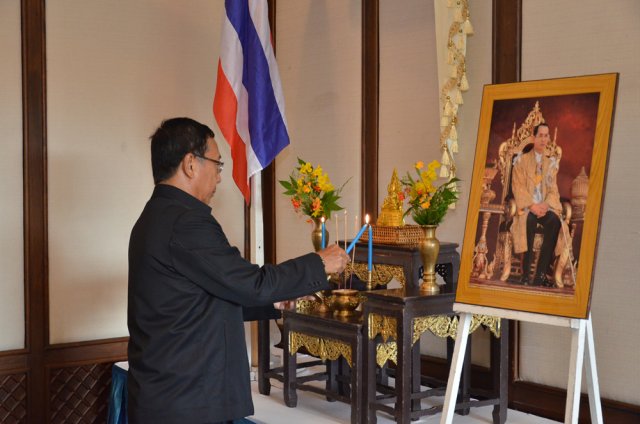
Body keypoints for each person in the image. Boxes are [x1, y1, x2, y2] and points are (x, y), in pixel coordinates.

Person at [127, 117, 350, 424]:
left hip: (169, 395)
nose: (219, 177)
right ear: (190, 164)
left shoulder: (155, 215)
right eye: (217, 164)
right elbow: (250, 283)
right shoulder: (186, 221)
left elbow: (204, 297)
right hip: (187, 400)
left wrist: (273, 301)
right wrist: (319, 263)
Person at [510, 123, 566, 287]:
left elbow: (553, 190)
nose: (543, 139)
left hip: (544, 207)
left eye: (546, 135)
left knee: (554, 221)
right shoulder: (521, 161)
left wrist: (546, 205)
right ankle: (526, 274)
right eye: (540, 135)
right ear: (533, 138)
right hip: (527, 208)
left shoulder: (551, 164)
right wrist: (532, 205)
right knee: (529, 221)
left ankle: (540, 275)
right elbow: (518, 187)